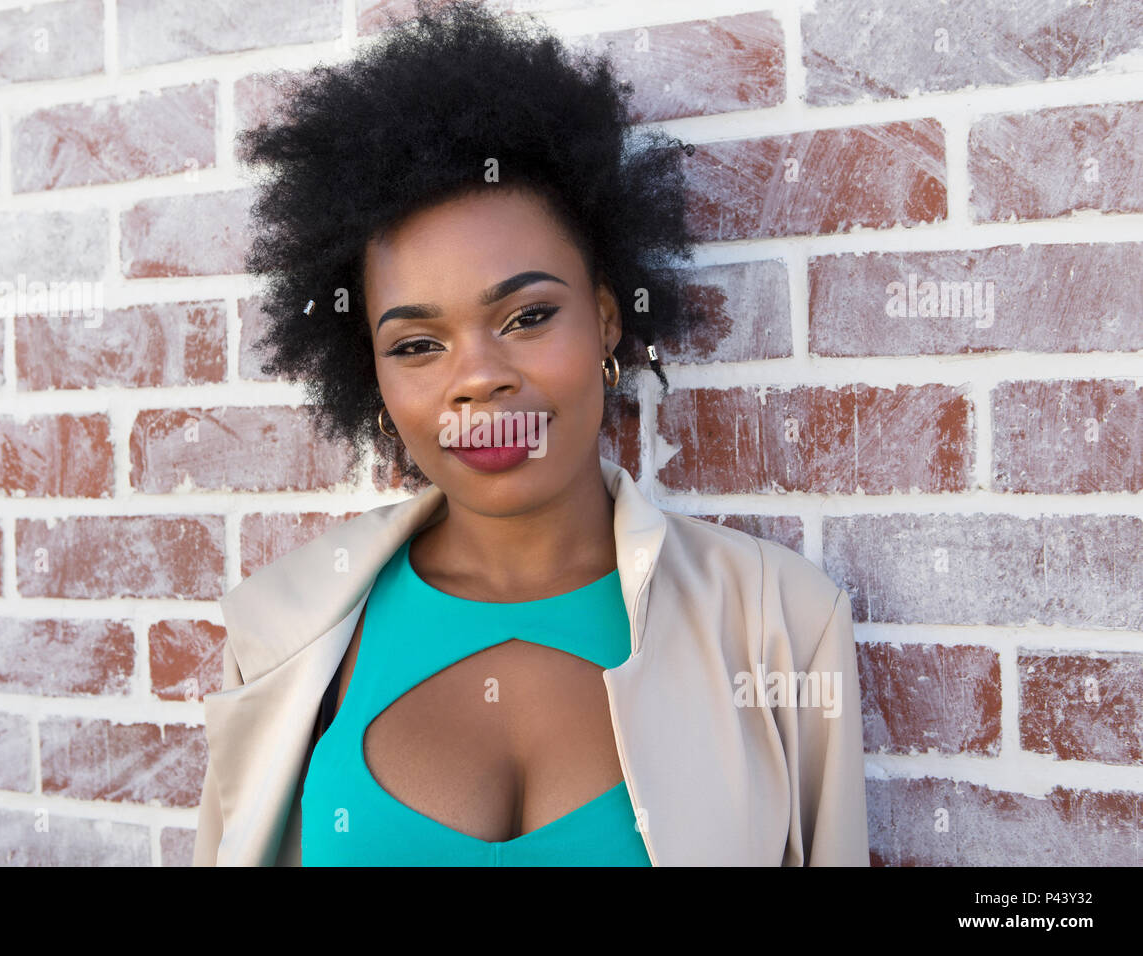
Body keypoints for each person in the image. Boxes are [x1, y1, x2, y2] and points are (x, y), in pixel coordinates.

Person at [193, 0, 869, 866]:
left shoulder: (781, 625)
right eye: (418, 344)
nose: (477, 376)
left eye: (526, 315)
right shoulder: (285, 632)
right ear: (372, 374)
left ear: (606, 319)